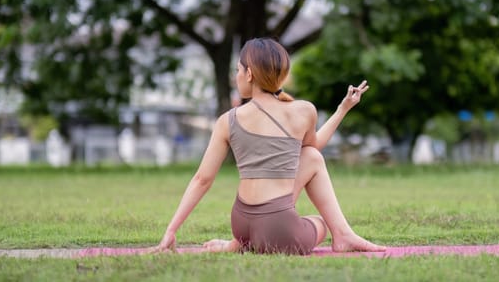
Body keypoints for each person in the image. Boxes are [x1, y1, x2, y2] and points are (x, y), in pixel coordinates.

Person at [154, 38, 385, 254]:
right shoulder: (303, 110)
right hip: (279, 229)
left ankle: (238, 244)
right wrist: (342, 109)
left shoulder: (228, 120)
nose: (237, 76)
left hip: (241, 224)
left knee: (310, 157)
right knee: (320, 220)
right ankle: (343, 235)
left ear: (250, 74)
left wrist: (171, 231)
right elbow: (314, 146)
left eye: (238, 70)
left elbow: (201, 180)